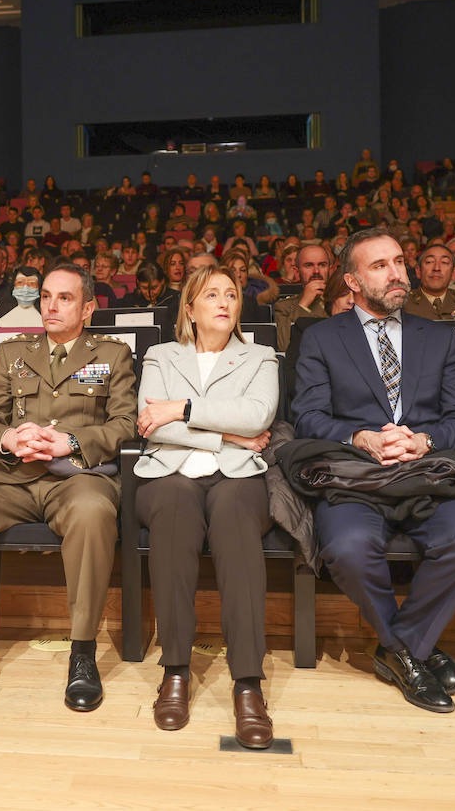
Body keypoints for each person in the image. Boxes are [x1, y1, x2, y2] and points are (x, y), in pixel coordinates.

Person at [291, 228, 455, 713]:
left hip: (430, 472)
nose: (397, 272)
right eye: (380, 265)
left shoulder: (440, 337)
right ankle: (413, 650)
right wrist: (362, 436)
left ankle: (399, 649)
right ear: (353, 281)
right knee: (346, 547)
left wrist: (424, 440)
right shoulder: (321, 337)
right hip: (357, 476)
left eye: (399, 261)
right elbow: (306, 416)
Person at [0, 265, 136, 711]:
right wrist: (9, 438)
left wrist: (72, 440)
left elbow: (125, 424)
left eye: (64, 298)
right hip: (14, 478)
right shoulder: (14, 351)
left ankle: (82, 653)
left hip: (78, 479)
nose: (51, 306)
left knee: (93, 513)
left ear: (88, 308)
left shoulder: (113, 354)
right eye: (45, 297)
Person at [134, 265, 279, 747]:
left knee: (236, 520)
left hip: (237, 475)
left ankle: (247, 683)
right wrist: (229, 435)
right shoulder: (160, 355)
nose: (224, 301)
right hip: (169, 470)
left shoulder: (261, 357)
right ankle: (175, 670)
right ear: (190, 308)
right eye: (211, 294)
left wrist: (182, 409)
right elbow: (151, 424)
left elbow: (257, 415)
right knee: (173, 512)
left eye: (232, 294)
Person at [273, 244, 331, 349]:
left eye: (322, 265)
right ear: (297, 271)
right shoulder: (284, 307)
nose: (316, 271)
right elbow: (285, 346)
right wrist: (303, 305)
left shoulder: (342, 302)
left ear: (330, 269)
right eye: (309, 265)